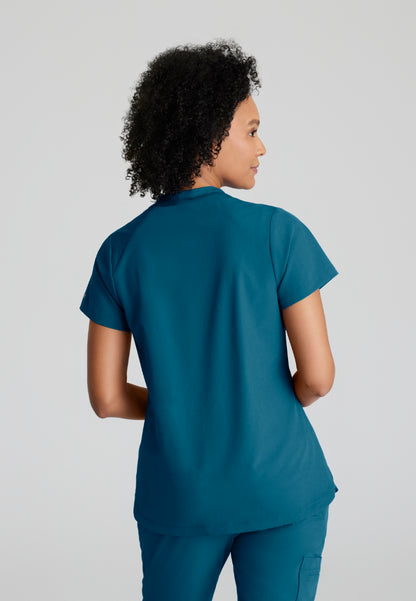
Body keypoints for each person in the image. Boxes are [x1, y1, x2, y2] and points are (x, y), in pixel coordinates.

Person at [80, 38, 340, 601]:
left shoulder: (120, 252)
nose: (262, 146)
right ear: (208, 133)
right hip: (282, 487)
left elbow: (106, 397)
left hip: (179, 495)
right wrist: (262, 405)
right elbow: (318, 378)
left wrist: (182, 407)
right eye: (251, 130)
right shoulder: (278, 233)